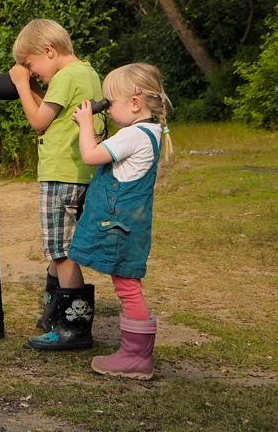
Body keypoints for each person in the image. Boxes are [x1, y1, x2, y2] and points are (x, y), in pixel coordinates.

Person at [63, 63, 171, 379]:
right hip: (130, 225)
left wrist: (85, 123)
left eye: (111, 102)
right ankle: (134, 353)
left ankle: (137, 357)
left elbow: (90, 156)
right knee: (126, 284)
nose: (107, 109)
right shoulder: (149, 132)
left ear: (135, 103)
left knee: (127, 286)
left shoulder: (135, 133)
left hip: (119, 226)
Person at [8, 19, 103, 351]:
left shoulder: (64, 77)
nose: (33, 73)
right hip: (81, 173)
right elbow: (51, 110)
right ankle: (53, 314)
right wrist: (31, 83)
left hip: (60, 174)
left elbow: (38, 122)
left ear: (48, 51)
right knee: (60, 247)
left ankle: (73, 328)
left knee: (61, 252)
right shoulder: (88, 74)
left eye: (32, 65)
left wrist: (20, 84)